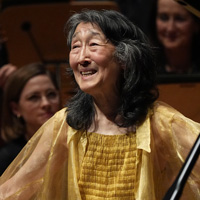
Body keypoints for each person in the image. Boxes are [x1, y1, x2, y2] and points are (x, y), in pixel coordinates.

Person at [0, 9, 200, 200]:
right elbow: (15, 190)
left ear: (124, 58)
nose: (81, 58)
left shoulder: (160, 123)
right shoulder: (65, 124)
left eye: (93, 44)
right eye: (76, 47)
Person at [0, 62, 60, 175]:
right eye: (34, 97)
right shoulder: (7, 158)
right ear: (15, 109)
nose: (46, 103)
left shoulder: (73, 143)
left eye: (51, 94)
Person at [148, 0, 200, 74]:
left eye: (180, 18)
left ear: (196, 24)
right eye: (164, 17)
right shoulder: (144, 71)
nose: (170, 28)